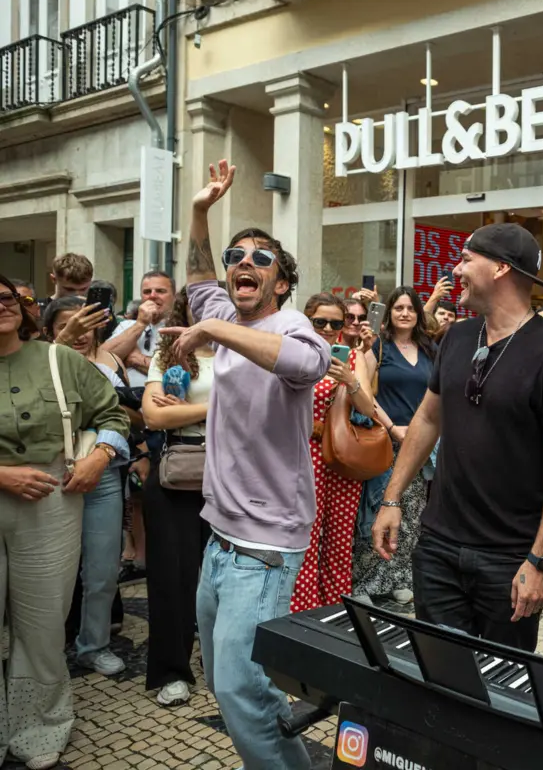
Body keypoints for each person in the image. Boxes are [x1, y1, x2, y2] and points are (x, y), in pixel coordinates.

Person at [170, 159, 330, 769]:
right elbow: (198, 273)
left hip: (263, 547)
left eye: (262, 259)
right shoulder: (230, 314)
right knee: (229, 681)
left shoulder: (291, 325)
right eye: (239, 256)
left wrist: (213, 324)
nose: (245, 263)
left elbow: (306, 365)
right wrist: (201, 210)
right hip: (220, 538)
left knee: (243, 688)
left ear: (281, 282)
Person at [372, 222, 543, 651]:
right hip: (437, 547)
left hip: (509, 559)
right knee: (439, 671)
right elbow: (428, 419)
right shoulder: (456, 336)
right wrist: (392, 497)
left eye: (467, 259)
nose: (456, 270)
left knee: (499, 686)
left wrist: (540, 560)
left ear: (501, 269)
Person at [0, 274, 129, 770]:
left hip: (52, 503)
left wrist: (99, 455)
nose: (2, 306)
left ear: (25, 306)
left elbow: (113, 415)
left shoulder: (60, 360)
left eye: (8, 297)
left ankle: (38, 728)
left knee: (40, 624)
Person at [42, 297, 132, 678]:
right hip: (49, 478)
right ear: (51, 330)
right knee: (45, 573)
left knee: (102, 570)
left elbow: (116, 414)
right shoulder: (36, 362)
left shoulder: (109, 365)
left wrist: (100, 454)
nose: (79, 331)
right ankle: (39, 654)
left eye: (86, 323)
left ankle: (92, 646)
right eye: (69, 324)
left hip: (103, 476)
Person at [140, 290, 214, 707]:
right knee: (172, 577)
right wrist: (215, 407)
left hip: (231, 473)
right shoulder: (167, 356)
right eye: (196, 307)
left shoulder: (236, 354)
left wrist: (188, 407)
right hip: (177, 473)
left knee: (227, 578)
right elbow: (154, 416)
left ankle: (225, 662)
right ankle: (172, 671)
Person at [290, 293, 376, 613]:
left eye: (336, 323)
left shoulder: (352, 358)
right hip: (303, 455)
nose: (328, 328)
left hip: (340, 457)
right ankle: (305, 612)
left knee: (340, 542)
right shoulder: (293, 354)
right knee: (307, 540)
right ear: (308, 320)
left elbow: (369, 408)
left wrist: (351, 381)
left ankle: (338, 611)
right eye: (320, 321)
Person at [353, 286, 437, 604]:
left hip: (422, 444)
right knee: (379, 508)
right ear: (389, 314)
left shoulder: (430, 350)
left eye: (410, 308)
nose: (404, 313)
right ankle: (366, 583)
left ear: (418, 314)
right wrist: (392, 427)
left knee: (413, 511)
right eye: (398, 308)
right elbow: (365, 395)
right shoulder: (380, 348)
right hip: (386, 440)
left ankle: (400, 578)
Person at [102, 271, 176, 386]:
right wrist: (140, 324)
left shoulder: (181, 329)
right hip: (124, 401)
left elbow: (178, 374)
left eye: (160, 291)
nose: (152, 296)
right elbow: (101, 361)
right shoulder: (126, 326)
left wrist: (136, 359)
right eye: (147, 292)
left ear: (174, 297)